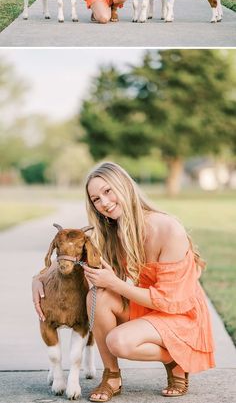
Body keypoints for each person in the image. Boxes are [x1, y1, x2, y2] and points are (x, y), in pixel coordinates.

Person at [32, 161, 215, 401]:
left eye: (108, 191)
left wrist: (116, 284)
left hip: (179, 313)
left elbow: (168, 300)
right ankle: (112, 376)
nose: (104, 203)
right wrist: (39, 278)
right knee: (97, 296)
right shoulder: (112, 230)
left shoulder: (167, 228)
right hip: (148, 306)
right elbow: (71, 254)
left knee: (118, 342)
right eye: (96, 199)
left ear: (125, 186)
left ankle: (175, 360)